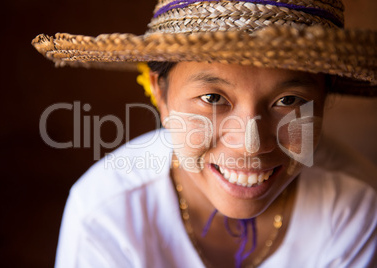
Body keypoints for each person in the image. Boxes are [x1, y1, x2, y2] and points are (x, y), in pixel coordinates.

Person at [32, 0, 377, 267]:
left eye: (289, 100)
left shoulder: (355, 206)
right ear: (161, 96)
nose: (250, 145)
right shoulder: (105, 214)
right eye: (213, 98)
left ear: (322, 103)